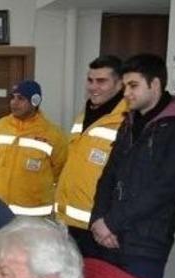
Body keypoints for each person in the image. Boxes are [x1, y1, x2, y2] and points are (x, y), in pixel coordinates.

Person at [89, 54, 175, 278]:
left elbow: (166, 188)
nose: (126, 93)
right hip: (108, 238)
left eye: (133, 85)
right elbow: (108, 175)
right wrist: (98, 219)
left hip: (146, 243)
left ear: (155, 84)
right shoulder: (129, 121)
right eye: (125, 85)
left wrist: (112, 222)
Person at [54, 55, 128, 257]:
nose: (93, 86)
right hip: (68, 224)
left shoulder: (127, 121)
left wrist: (111, 222)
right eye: (90, 80)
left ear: (120, 84)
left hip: (100, 228)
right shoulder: (83, 116)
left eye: (102, 81)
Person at [0, 80, 67, 217]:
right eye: (12, 97)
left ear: (35, 101)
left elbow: (61, 172)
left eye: (21, 98)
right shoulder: (0, 126)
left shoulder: (53, 134)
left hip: (34, 216)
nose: (14, 102)